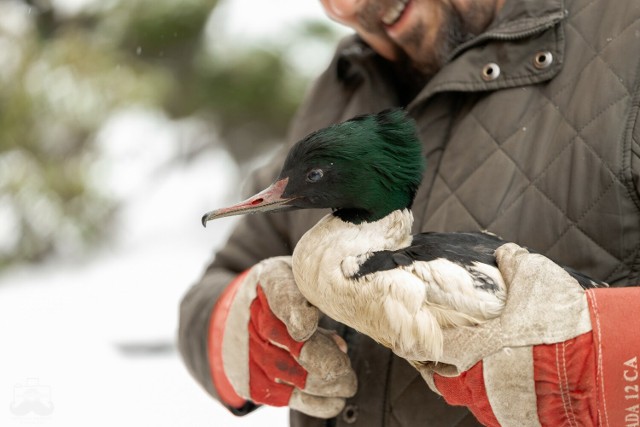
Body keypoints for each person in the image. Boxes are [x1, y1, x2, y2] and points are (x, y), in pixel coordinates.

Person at [179, 0, 640, 425]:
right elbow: (222, 280)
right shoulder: (345, 83)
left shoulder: (625, 43)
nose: (345, 8)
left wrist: (615, 360)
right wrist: (233, 329)